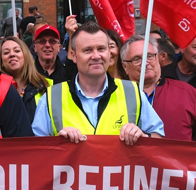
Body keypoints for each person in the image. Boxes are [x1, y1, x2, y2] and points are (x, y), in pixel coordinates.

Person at [33, 22, 165, 143]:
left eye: (101, 49)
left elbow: (158, 139)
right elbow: (36, 150)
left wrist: (143, 137)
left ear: (109, 52)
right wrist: (58, 142)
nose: (96, 56)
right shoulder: (51, 98)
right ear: (73, 55)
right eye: (88, 50)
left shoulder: (132, 92)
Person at [121, 36, 196, 141]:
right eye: (136, 59)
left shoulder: (186, 93)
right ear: (125, 67)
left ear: (158, 58)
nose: (145, 63)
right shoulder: (117, 95)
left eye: (149, 56)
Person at [0, 36, 50, 123]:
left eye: (17, 51)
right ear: (1, 61)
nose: (12, 54)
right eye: (6, 52)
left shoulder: (46, 85)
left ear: (25, 56)